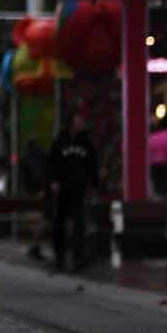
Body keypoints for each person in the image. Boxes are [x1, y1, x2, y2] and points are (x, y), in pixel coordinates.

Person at [47, 113, 99, 271]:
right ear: (71, 123)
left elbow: (93, 163)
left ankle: (78, 255)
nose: (80, 123)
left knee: (79, 222)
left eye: (82, 121)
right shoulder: (61, 141)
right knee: (60, 221)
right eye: (78, 121)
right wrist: (53, 181)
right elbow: (51, 162)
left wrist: (94, 182)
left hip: (79, 187)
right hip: (63, 187)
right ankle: (59, 255)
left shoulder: (86, 142)